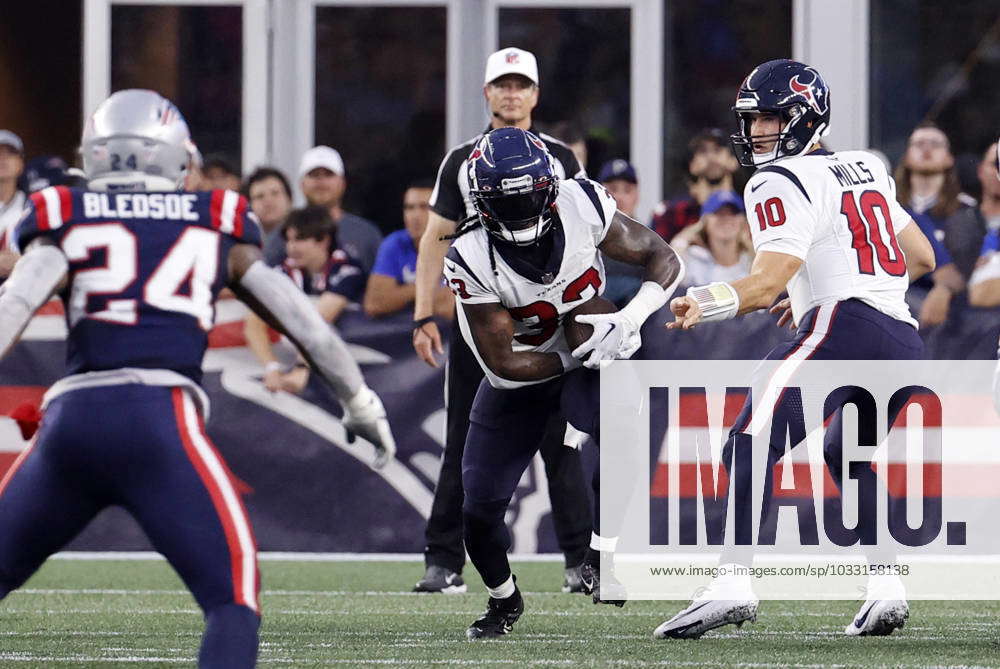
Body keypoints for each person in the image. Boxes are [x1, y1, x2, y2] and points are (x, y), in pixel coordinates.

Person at [0, 90, 395, 669]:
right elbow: (310, 330)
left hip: (72, 427)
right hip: (160, 421)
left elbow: (12, 308)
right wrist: (359, 399)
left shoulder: (66, 212)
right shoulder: (214, 219)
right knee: (233, 600)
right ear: (173, 156)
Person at [659, 59, 936, 640]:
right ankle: (886, 585)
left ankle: (732, 582)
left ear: (805, 116)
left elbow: (761, 283)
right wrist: (816, 289)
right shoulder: (866, 166)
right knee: (847, 456)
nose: (758, 130)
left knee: (750, 435)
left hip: (848, 327)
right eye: (752, 119)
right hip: (902, 338)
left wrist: (705, 301)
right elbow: (921, 259)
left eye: (770, 117)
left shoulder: (776, 180)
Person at [445, 127, 683, 639]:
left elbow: (665, 258)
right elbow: (502, 363)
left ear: (549, 187)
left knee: (626, 425)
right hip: (524, 373)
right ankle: (504, 600)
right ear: (483, 203)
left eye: (530, 196)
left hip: (589, 348)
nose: (523, 209)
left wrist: (630, 317)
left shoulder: (582, 203)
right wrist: (578, 353)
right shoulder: (470, 254)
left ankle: (602, 551)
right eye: (508, 202)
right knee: (479, 508)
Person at [411, 47, 592, 596]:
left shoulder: (561, 157)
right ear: (487, 93)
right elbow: (435, 237)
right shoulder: (461, 159)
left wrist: (590, 310)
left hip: (549, 313)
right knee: (463, 434)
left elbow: (589, 232)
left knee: (563, 440)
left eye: (521, 85)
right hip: (482, 317)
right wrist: (423, 312)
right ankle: (444, 561)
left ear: (535, 95)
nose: (511, 94)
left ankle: (580, 562)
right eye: (502, 85)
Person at [244, 206, 366, 394]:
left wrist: (301, 367)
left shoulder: (347, 269)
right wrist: (271, 368)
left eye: (299, 239)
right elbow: (253, 322)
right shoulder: (283, 272)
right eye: (289, 240)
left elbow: (316, 320)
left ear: (324, 240)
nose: (291, 247)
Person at [893, 123, 967, 327]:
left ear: (949, 158)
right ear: (907, 157)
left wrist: (944, 289)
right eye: (919, 144)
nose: (927, 149)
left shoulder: (966, 211)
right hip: (894, 298)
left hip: (949, 307)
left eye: (935, 144)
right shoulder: (887, 206)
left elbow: (965, 273)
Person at [364, 178, 454, 319]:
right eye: (409, 208)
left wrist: (401, 294)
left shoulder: (460, 246)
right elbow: (375, 303)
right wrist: (423, 289)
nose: (415, 216)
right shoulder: (394, 244)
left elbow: (448, 309)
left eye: (424, 207)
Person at [298, 145, 383, 273]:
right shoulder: (285, 232)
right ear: (302, 184)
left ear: (342, 183)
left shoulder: (367, 234)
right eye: (314, 175)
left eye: (328, 174)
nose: (321, 181)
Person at [650, 128, 740, 244]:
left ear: (733, 161)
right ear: (692, 165)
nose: (711, 157)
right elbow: (655, 254)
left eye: (717, 150)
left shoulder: (748, 209)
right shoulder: (672, 213)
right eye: (703, 151)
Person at [677, 190, 753, 286]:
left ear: (743, 220)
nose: (726, 218)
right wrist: (686, 237)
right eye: (719, 213)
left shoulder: (753, 261)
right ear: (705, 221)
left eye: (733, 213)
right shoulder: (692, 258)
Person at [597, 159, 646, 306]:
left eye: (627, 190)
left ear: (637, 195)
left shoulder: (651, 238)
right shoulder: (585, 236)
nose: (620, 197)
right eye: (613, 189)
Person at [244, 167, 294, 267]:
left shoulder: (306, 235)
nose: (268, 201)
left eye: (275, 193)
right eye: (259, 196)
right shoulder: (245, 244)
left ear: (289, 199)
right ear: (249, 206)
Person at [0, 130, 26, 279]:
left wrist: (21, 261)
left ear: (21, 164)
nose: (2, 159)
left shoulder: (33, 207)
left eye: (10, 152)